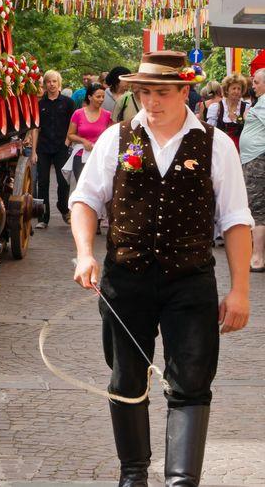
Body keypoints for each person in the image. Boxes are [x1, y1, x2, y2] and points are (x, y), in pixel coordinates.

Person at [70, 50, 252, 487]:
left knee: (191, 379)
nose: (152, 101)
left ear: (184, 91)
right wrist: (84, 252)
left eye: (162, 92)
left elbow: (235, 220)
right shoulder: (117, 139)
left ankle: (181, 481)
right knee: (127, 377)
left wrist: (240, 289)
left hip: (190, 281)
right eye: (144, 92)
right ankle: (133, 474)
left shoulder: (216, 144)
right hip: (125, 280)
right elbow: (85, 200)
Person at [30, 70, 75, 228]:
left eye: (54, 81)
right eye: (49, 82)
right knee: (42, 183)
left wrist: (68, 141)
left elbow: (73, 124)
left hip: (61, 148)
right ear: (45, 84)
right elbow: (36, 128)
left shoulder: (68, 103)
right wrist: (34, 151)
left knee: (63, 182)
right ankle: (43, 218)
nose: (52, 84)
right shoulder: (39, 104)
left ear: (59, 83)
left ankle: (63, 207)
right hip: (43, 148)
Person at [240, 68, 265, 273]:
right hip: (253, 159)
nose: (253, 85)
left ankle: (258, 258)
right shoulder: (259, 103)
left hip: (257, 160)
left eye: (256, 82)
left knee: (256, 208)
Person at [67, 83, 112, 184]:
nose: (101, 99)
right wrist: (83, 141)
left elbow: (109, 137)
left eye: (103, 97)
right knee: (82, 185)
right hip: (80, 155)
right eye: (98, 96)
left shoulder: (107, 115)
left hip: (99, 156)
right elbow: (70, 135)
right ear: (90, 97)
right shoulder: (78, 113)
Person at [206, 73, 251, 150]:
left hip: (241, 150)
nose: (236, 91)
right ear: (227, 90)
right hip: (221, 148)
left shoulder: (246, 107)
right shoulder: (217, 107)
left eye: (239, 89)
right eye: (233, 88)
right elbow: (210, 131)